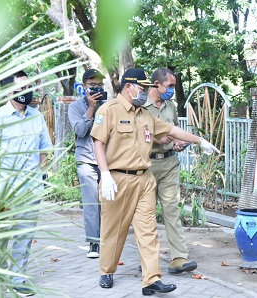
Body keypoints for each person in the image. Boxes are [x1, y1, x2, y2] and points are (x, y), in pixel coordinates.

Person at [90, 68, 218, 295]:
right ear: (129, 87)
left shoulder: (145, 115)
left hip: (144, 179)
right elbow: (98, 143)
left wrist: (200, 141)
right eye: (141, 88)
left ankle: (151, 280)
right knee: (113, 229)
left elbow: (172, 129)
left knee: (148, 229)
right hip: (117, 179)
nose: (145, 92)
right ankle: (106, 271)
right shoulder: (108, 110)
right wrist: (105, 174)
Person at [0, 70, 53, 296]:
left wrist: (40, 178)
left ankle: (17, 277)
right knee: (0, 236)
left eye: (28, 87)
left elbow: (44, 152)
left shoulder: (37, 116)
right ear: (7, 91)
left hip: (30, 189)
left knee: (24, 236)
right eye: (20, 88)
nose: (25, 92)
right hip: (2, 191)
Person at [144, 68, 197, 274]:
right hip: (146, 165)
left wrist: (177, 142)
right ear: (157, 84)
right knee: (146, 214)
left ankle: (179, 258)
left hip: (168, 163)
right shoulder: (142, 107)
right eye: (170, 86)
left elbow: (173, 129)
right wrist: (157, 138)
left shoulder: (170, 106)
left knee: (172, 210)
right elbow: (135, 134)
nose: (173, 90)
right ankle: (149, 260)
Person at [68, 69, 106, 258]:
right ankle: (94, 243)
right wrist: (91, 109)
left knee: (109, 202)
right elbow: (80, 131)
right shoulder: (75, 107)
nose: (96, 88)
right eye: (92, 85)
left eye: (99, 85)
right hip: (86, 160)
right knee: (92, 203)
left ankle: (109, 241)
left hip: (107, 160)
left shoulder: (108, 105)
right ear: (84, 87)